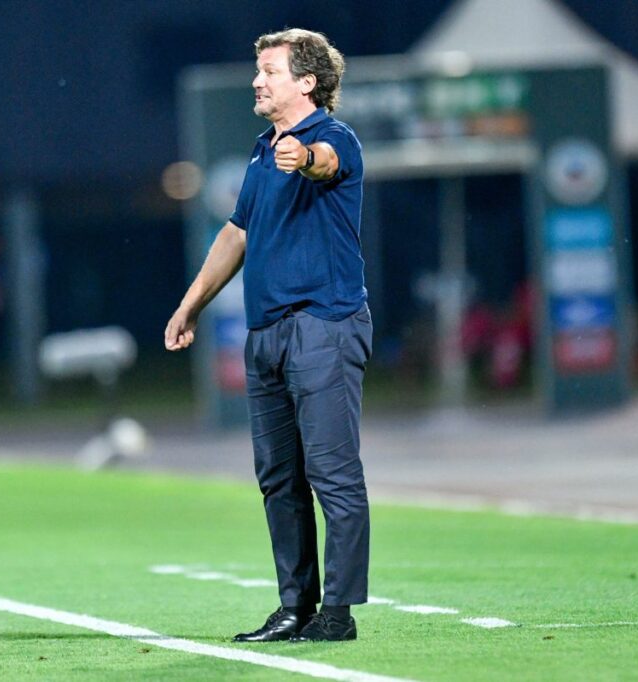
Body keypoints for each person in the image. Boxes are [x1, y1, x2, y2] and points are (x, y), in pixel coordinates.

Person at [165, 28, 372, 643]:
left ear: (307, 82)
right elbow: (237, 233)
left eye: (270, 71)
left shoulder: (333, 138)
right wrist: (190, 305)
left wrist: (304, 160)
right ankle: (294, 608)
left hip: (323, 325)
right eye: (259, 71)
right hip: (268, 333)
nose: (257, 81)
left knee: (332, 474)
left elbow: (325, 163)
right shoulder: (262, 150)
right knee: (279, 479)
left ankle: (338, 613)